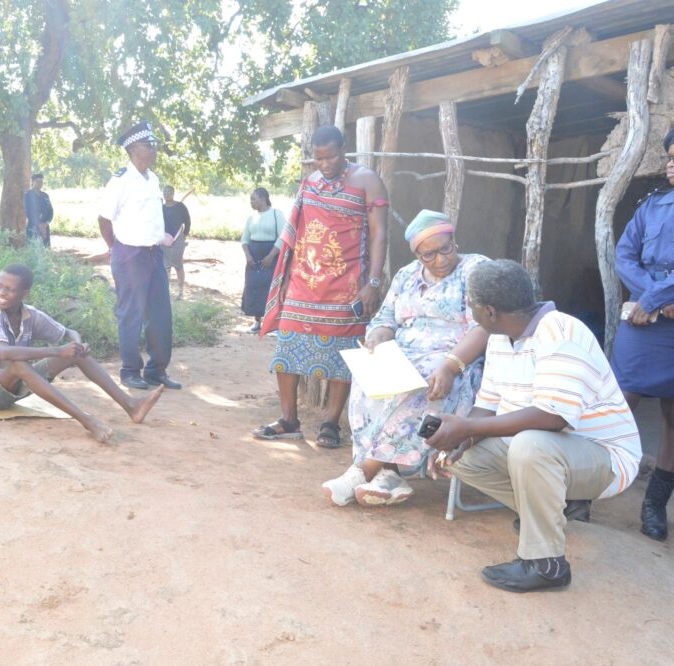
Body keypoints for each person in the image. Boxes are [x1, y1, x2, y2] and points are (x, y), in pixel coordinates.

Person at [425, 260, 641, 592]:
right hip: (552, 454)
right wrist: (459, 439)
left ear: (490, 311)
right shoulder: (501, 337)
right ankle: (549, 513)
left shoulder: (561, 332)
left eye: (471, 305)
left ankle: (546, 564)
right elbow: (487, 406)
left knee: (530, 445)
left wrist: (466, 426)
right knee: (462, 457)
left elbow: (552, 417)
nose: (470, 312)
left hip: (605, 458)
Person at [322, 210, 489, 506]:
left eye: (445, 248)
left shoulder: (475, 269)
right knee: (367, 380)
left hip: (454, 362)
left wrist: (450, 366)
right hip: (404, 355)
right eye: (429, 255)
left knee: (419, 385)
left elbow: (484, 326)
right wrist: (377, 337)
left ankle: (361, 471)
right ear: (417, 255)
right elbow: (386, 318)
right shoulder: (406, 274)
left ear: (455, 241)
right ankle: (389, 476)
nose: (440, 259)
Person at [253, 124, 388, 448]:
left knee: (343, 355)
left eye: (331, 157)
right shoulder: (310, 182)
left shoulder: (368, 181)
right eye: (318, 159)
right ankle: (289, 419)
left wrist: (373, 282)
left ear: (344, 151)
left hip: (347, 286)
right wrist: (285, 278)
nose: (325, 165)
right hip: (304, 282)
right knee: (286, 345)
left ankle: (330, 423)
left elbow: (380, 233)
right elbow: (296, 231)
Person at [0, 264, 165, 442]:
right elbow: (3, 353)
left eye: (9, 289)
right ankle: (86, 420)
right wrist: (57, 351)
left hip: (19, 385)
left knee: (73, 354)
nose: (1, 293)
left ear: (24, 293)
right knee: (18, 364)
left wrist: (77, 345)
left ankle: (131, 406)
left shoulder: (30, 314)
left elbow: (70, 332)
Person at [611, 130, 674, 542]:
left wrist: (652, 299)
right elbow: (623, 254)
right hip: (643, 321)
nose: (671, 163)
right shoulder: (652, 208)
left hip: (648, 312)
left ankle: (654, 506)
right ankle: (584, 491)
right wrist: (653, 299)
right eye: (670, 156)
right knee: (617, 405)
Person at [97, 121, 181, 391]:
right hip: (129, 255)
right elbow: (104, 218)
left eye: (154, 144)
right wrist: (115, 247)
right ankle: (130, 370)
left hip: (154, 254)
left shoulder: (153, 179)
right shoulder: (120, 181)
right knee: (131, 314)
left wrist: (162, 237)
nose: (155, 149)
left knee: (160, 314)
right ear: (134, 148)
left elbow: (149, 218)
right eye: (149, 145)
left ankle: (157, 371)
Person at [240, 187, 284, 333]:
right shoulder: (251, 218)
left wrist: (271, 256)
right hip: (253, 259)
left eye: (253, 199)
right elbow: (245, 239)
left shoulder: (276, 214)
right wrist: (248, 256)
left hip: (271, 257)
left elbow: (283, 237)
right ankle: (256, 322)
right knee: (254, 288)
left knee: (270, 287)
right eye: (250, 200)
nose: (251, 202)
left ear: (263, 198)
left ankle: (272, 324)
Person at [161, 185, 192, 299]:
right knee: (165, 266)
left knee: (178, 265)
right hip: (164, 240)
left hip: (178, 239)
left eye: (169, 192)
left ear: (173, 193)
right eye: (165, 192)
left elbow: (187, 221)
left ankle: (180, 291)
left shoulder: (180, 206)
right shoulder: (161, 207)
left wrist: (184, 235)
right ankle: (166, 292)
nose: (167, 194)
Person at [24, 172, 54, 247]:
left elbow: (51, 211)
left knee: (45, 248)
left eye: (41, 182)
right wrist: (38, 224)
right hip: (33, 227)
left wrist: (46, 223)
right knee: (33, 249)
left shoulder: (45, 196)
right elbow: (28, 212)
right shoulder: (27, 195)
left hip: (45, 227)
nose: (40, 184)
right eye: (37, 181)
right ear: (33, 182)